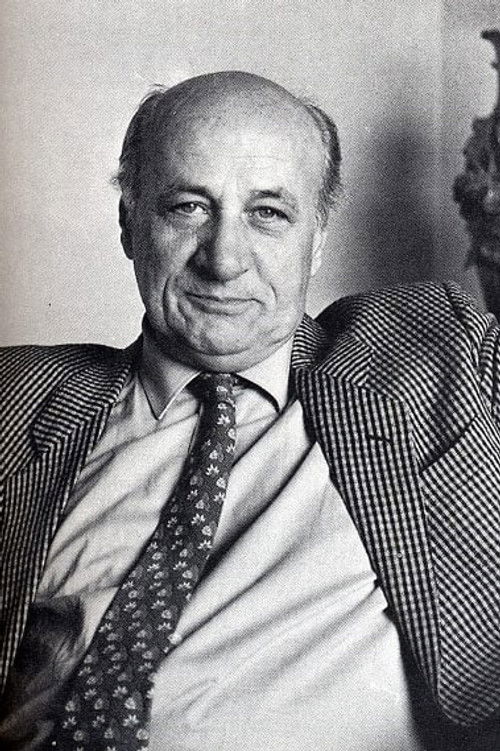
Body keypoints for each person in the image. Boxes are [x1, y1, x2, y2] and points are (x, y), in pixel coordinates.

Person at [0, 71, 498, 751]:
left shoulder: (432, 351)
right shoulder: (18, 397)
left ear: (317, 239)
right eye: (188, 207)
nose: (224, 260)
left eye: (268, 213)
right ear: (128, 224)